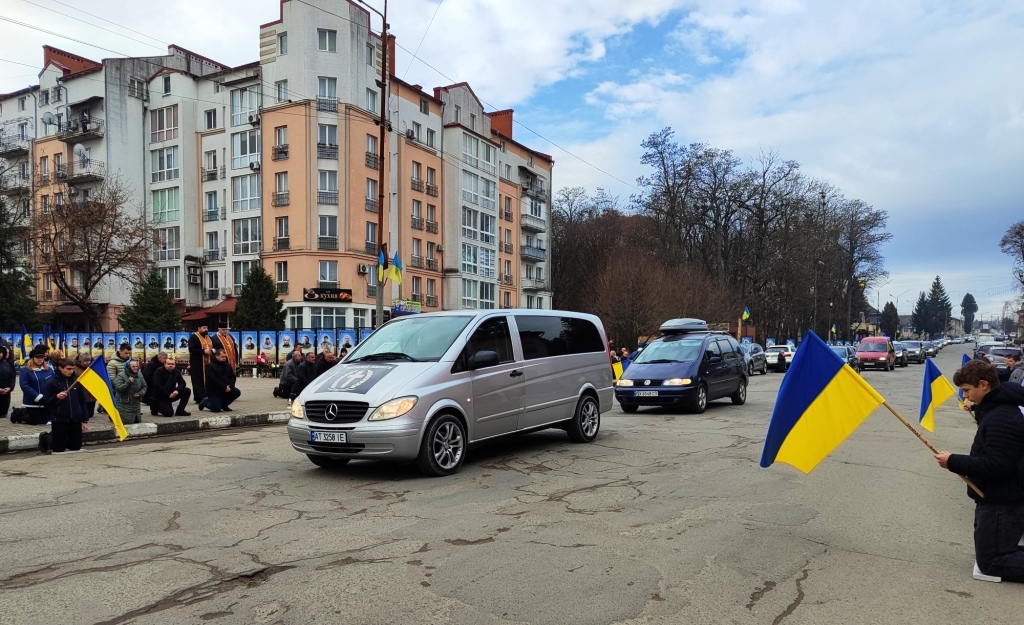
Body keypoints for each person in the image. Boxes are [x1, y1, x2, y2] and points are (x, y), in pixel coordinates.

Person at [934, 359, 1024, 583]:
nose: (965, 396)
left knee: (992, 562)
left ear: (984, 385)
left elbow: (997, 465)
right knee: (992, 556)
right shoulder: (997, 410)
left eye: (967, 390)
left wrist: (953, 461)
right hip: (996, 497)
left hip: (1003, 501)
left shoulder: (1002, 417)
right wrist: (978, 409)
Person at [43, 359, 89, 454]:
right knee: (58, 448)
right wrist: (56, 397)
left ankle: (66, 440)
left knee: (76, 447)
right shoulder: (52, 383)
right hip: (60, 418)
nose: (70, 371)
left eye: (72, 369)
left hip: (75, 418)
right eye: (68, 369)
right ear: (60, 368)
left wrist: (84, 420)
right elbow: (46, 402)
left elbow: (83, 401)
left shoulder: (76, 382)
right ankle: (45, 437)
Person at [17, 345, 54, 425]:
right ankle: (19, 413)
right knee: (35, 421)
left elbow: (54, 383)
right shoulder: (25, 371)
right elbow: (25, 386)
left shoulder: (49, 370)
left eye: (42, 357)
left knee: (45, 421)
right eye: (37, 357)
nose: (40, 359)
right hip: (32, 401)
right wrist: (37, 396)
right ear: (32, 358)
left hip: (46, 401)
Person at [200, 348, 240, 412]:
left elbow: (233, 376)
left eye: (225, 357)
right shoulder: (210, 366)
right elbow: (212, 379)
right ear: (217, 356)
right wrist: (224, 387)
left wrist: (231, 386)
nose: (224, 358)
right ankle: (205, 402)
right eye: (222, 357)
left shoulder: (227, 365)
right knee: (216, 409)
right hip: (214, 390)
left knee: (236, 392)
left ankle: (224, 405)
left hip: (226, 388)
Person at [113, 358, 147, 424]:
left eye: (136, 366)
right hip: (124, 404)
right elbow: (119, 389)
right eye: (133, 366)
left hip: (136, 405)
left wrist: (140, 394)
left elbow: (144, 386)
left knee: (136, 422)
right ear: (128, 367)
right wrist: (128, 382)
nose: (135, 368)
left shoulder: (139, 375)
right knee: (126, 422)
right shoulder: (121, 375)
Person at [188, 324, 213, 405]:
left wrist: (212, 351)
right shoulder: (194, 337)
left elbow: (214, 346)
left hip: (208, 363)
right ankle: (199, 398)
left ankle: (207, 396)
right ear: (199, 328)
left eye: (207, 328)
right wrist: (203, 351)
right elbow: (191, 349)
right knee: (198, 381)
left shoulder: (208, 337)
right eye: (204, 328)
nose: (206, 329)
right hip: (197, 363)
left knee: (208, 380)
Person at [73, 353, 97, 419]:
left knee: (90, 414)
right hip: (82, 393)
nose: (87, 363)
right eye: (85, 361)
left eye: (89, 361)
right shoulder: (75, 369)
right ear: (80, 361)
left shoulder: (93, 368)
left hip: (92, 394)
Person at [0, 345, 15, 419]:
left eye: (1, 353)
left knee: (3, 415)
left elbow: (12, 377)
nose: (0, 355)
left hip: (5, 395)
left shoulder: (6, 364)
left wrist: (10, 387)